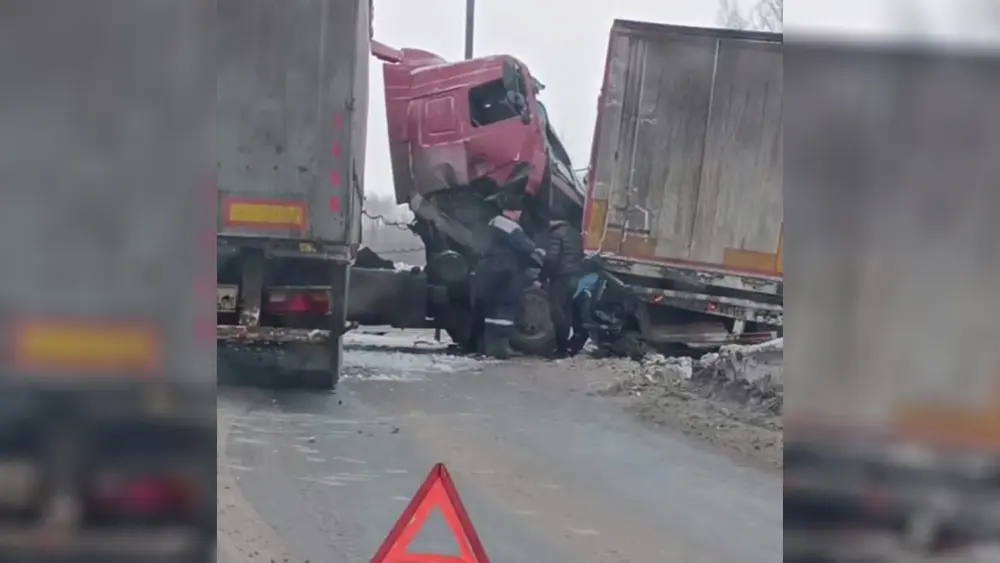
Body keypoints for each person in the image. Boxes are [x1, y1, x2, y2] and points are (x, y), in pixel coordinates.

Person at [472, 197, 545, 359]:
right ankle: (500, 350)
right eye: (519, 212)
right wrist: (539, 252)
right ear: (513, 211)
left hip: (488, 271)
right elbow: (526, 246)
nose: (520, 215)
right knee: (505, 309)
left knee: (492, 312)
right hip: (504, 272)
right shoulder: (509, 226)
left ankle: (488, 348)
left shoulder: (492, 224)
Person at [542, 220, 584, 357]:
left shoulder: (556, 234)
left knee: (559, 314)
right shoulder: (575, 234)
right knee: (571, 313)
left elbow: (552, 258)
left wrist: (543, 276)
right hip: (576, 277)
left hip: (561, 278)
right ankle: (573, 346)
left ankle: (561, 349)